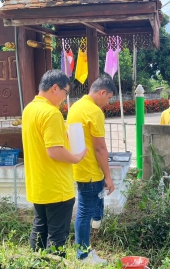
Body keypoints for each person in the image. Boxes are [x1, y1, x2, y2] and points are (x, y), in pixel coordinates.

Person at [22, 69, 86, 255]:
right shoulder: (51, 113)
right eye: (66, 93)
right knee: (56, 238)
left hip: (38, 184)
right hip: (56, 187)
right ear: (55, 88)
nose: (65, 98)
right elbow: (54, 151)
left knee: (39, 229)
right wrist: (76, 158)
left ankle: (34, 263)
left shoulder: (30, 109)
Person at [66, 75, 116, 265]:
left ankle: (84, 248)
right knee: (84, 212)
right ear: (102, 92)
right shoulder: (94, 112)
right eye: (109, 97)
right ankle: (83, 255)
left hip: (78, 166)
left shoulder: (76, 107)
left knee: (86, 209)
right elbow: (100, 148)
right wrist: (108, 177)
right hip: (90, 170)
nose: (107, 102)